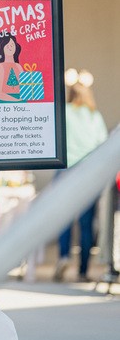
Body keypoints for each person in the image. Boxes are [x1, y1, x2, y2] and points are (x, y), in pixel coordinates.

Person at [53, 69, 108, 283]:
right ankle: (83, 270)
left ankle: (64, 256)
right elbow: (103, 145)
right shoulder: (95, 116)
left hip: (65, 171)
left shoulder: (64, 112)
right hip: (88, 173)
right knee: (86, 224)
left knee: (64, 219)